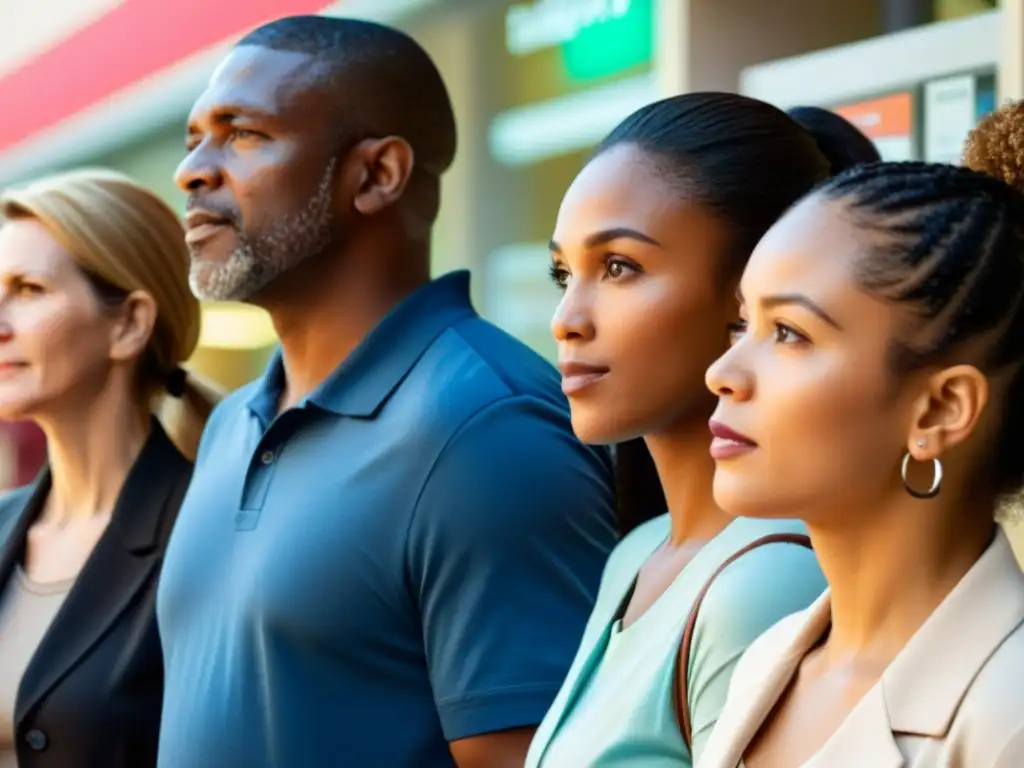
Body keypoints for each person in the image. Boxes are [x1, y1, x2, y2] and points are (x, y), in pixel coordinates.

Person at [156, 15, 617, 768]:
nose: (193, 171)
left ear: (377, 175)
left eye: (241, 134)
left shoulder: (488, 431)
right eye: (194, 138)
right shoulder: (233, 421)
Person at [525, 96, 879, 767]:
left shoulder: (768, 579)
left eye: (619, 267)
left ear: (757, 293)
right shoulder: (636, 554)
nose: (567, 318)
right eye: (564, 273)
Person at [699, 102, 1024, 767]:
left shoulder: (1008, 717)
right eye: (743, 325)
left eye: (789, 333)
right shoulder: (769, 661)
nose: (722, 373)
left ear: (939, 411)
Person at [0, 169, 221, 767]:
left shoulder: (211, 533)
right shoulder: (3, 525)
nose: (0, 319)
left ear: (128, 324)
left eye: (28, 289)